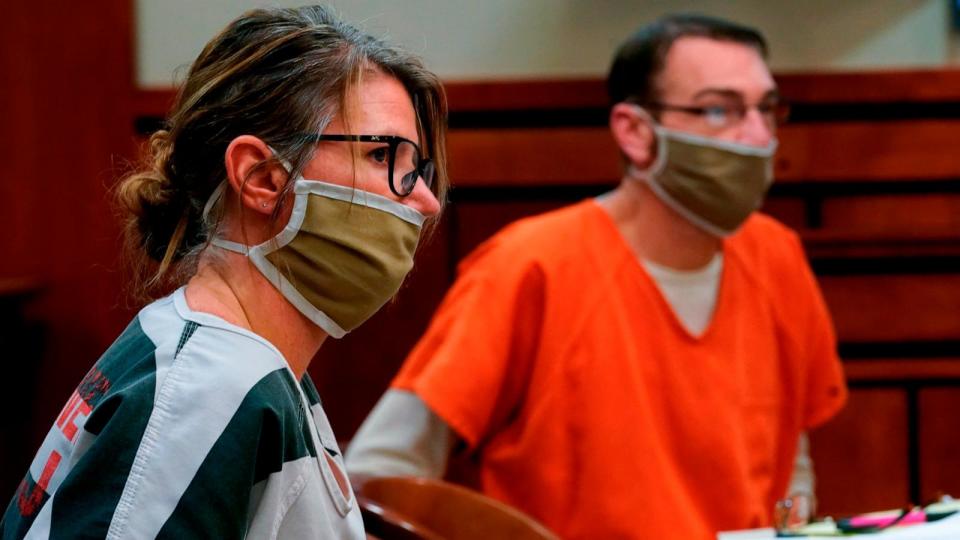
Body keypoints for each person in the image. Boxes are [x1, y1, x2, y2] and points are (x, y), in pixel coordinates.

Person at [346, 13, 847, 539]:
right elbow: (379, 475)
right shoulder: (530, 264)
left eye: (766, 109)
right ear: (634, 130)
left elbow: (795, 456)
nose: (757, 136)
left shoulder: (777, 256)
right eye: (719, 109)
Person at [1, 6, 447, 539]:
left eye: (417, 168)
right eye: (383, 155)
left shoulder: (235, 360)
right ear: (261, 178)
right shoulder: (211, 388)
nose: (425, 201)